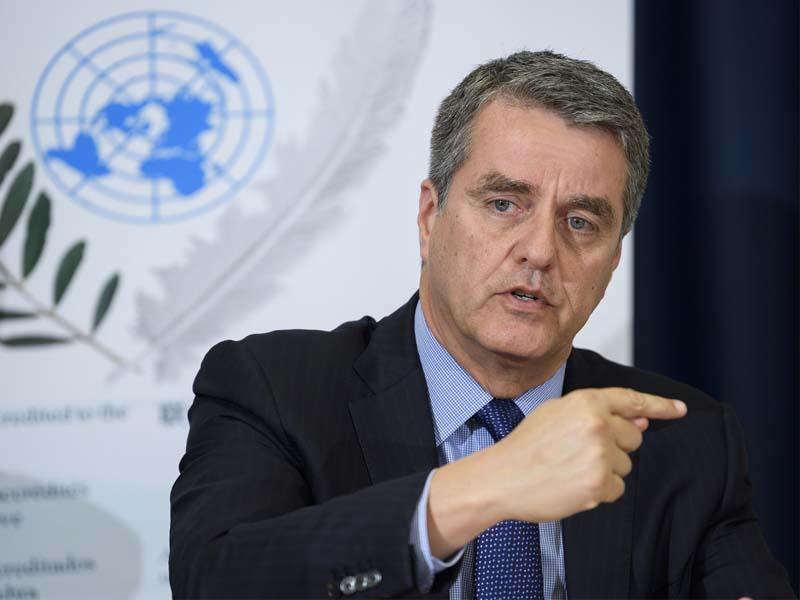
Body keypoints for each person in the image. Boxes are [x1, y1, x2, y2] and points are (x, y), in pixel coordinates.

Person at [169, 50, 794, 599]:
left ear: (613, 259)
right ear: (430, 217)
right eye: (503, 204)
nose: (540, 251)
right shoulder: (276, 389)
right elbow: (216, 580)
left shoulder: (683, 439)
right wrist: (491, 481)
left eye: (580, 222)